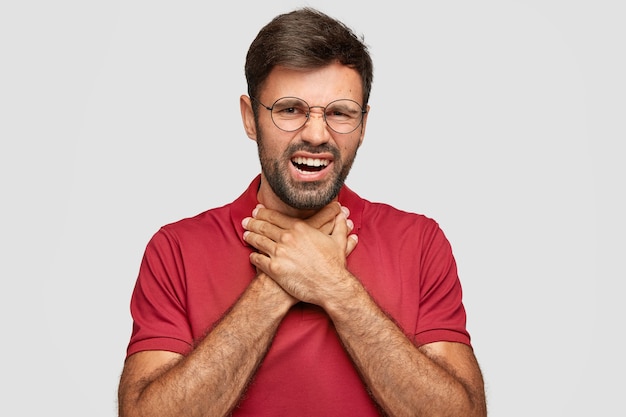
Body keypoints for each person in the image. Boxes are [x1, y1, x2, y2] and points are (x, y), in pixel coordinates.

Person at [118, 7, 486, 417]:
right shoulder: (175, 249)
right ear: (250, 117)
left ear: (363, 124)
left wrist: (335, 287)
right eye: (290, 109)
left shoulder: (419, 242)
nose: (316, 134)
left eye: (339, 113)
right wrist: (275, 286)